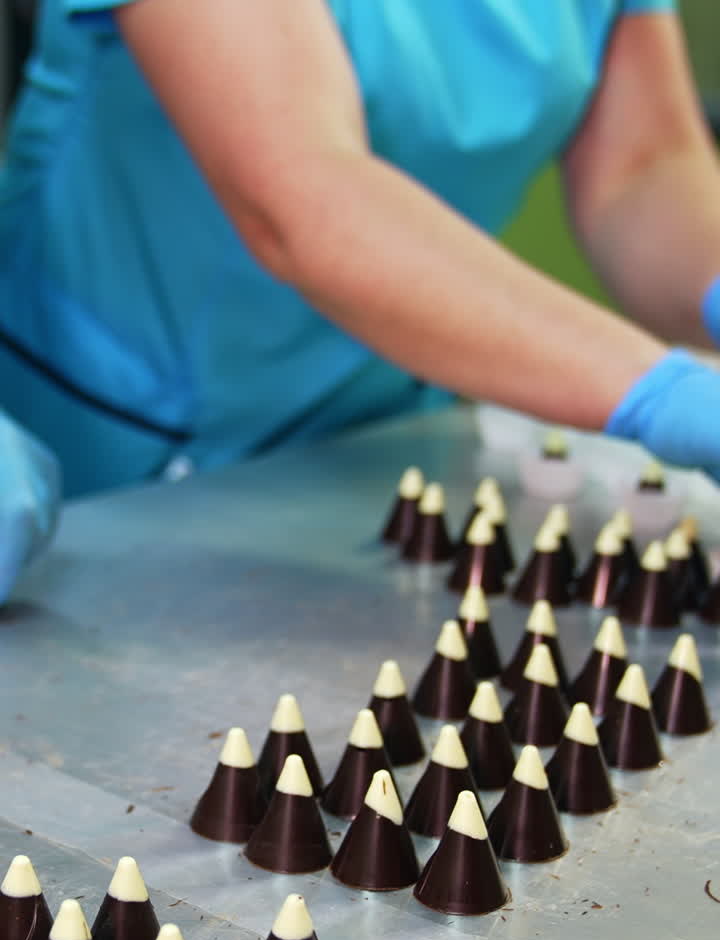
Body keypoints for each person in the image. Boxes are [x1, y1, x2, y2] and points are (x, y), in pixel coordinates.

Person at [3, 0, 720, 601]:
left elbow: (643, 167)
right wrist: (660, 393)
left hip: (383, 437)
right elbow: (301, 194)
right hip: (120, 458)